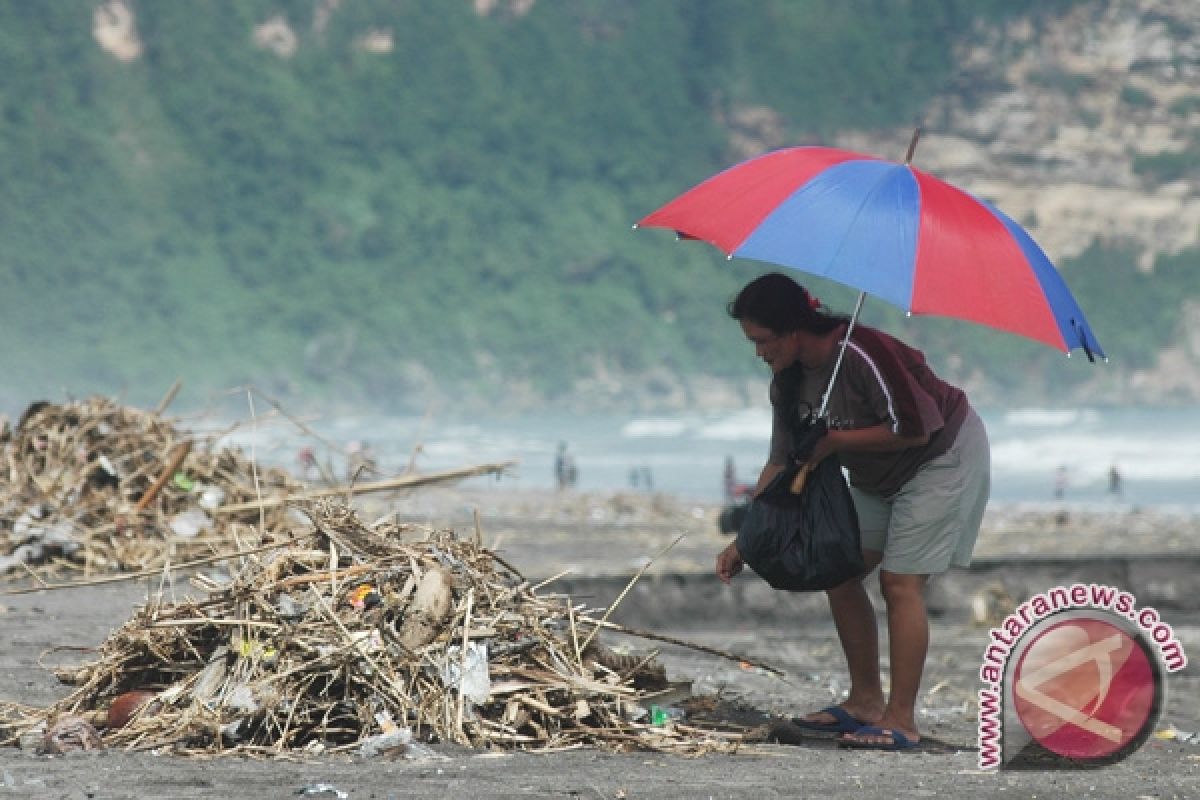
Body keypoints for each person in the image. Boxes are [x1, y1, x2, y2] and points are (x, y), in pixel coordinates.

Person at [715, 272, 991, 751]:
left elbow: (916, 429)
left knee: (899, 582)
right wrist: (747, 539)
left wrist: (835, 442)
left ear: (793, 328)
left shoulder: (865, 353)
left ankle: (901, 719)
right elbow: (781, 461)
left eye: (763, 340)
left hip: (940, 458)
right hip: (876, 476)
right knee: (839, 569)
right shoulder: (788, 383)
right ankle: (864, 701)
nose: (759, 352)